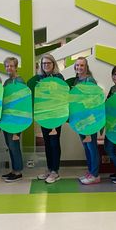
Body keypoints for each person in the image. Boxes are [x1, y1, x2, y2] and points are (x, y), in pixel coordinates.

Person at [33, 54, 65, 184]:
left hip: (56, 116)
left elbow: (62, 96)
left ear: (53, 64)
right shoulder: (40, 78)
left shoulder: (59, 78)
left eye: (48, 63)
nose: (46, 65)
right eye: (44, 63)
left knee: (54, 142)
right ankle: (49, 168)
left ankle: (55, 171)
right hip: (43, 115)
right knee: (47, 143)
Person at [71, 57, 101, 185]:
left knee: (91, 146)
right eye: (77, 65)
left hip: (89, 119)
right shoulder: (77, 80)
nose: (79, 68)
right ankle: (90, 172)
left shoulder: (90, 80)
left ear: (86, 67)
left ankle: (95, 174)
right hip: (80, 119)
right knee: (86, 146)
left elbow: (94, 101)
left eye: (82, 65)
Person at [1, 57, 25, 183]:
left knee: (14, 145)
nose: (8, 68)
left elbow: (22, 102)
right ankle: (14, 169)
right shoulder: (7, 82)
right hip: (7, 118)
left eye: (11, 66)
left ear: (16, 67)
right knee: (10, 145)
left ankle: (18, 171)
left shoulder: (20, 81)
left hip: (16, 119)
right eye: (6, 66)